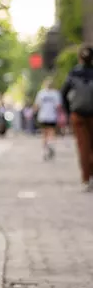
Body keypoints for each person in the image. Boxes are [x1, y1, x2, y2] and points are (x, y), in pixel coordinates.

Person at [61, 45, 93, 189]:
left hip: (78, 114)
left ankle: (86, 179)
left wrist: (69, 111)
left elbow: (63, 93)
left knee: (83, 147)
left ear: (80, 58)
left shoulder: (73, 73)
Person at [33, 78, 63, 160]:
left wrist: (34, 113)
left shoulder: (41, 93)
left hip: (43, 116)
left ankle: (45, 150)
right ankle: (50, 145)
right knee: (51, 132)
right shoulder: (56, 94)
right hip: (52, 116)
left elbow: (36, 105)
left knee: (44, 134)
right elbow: (58, 106)